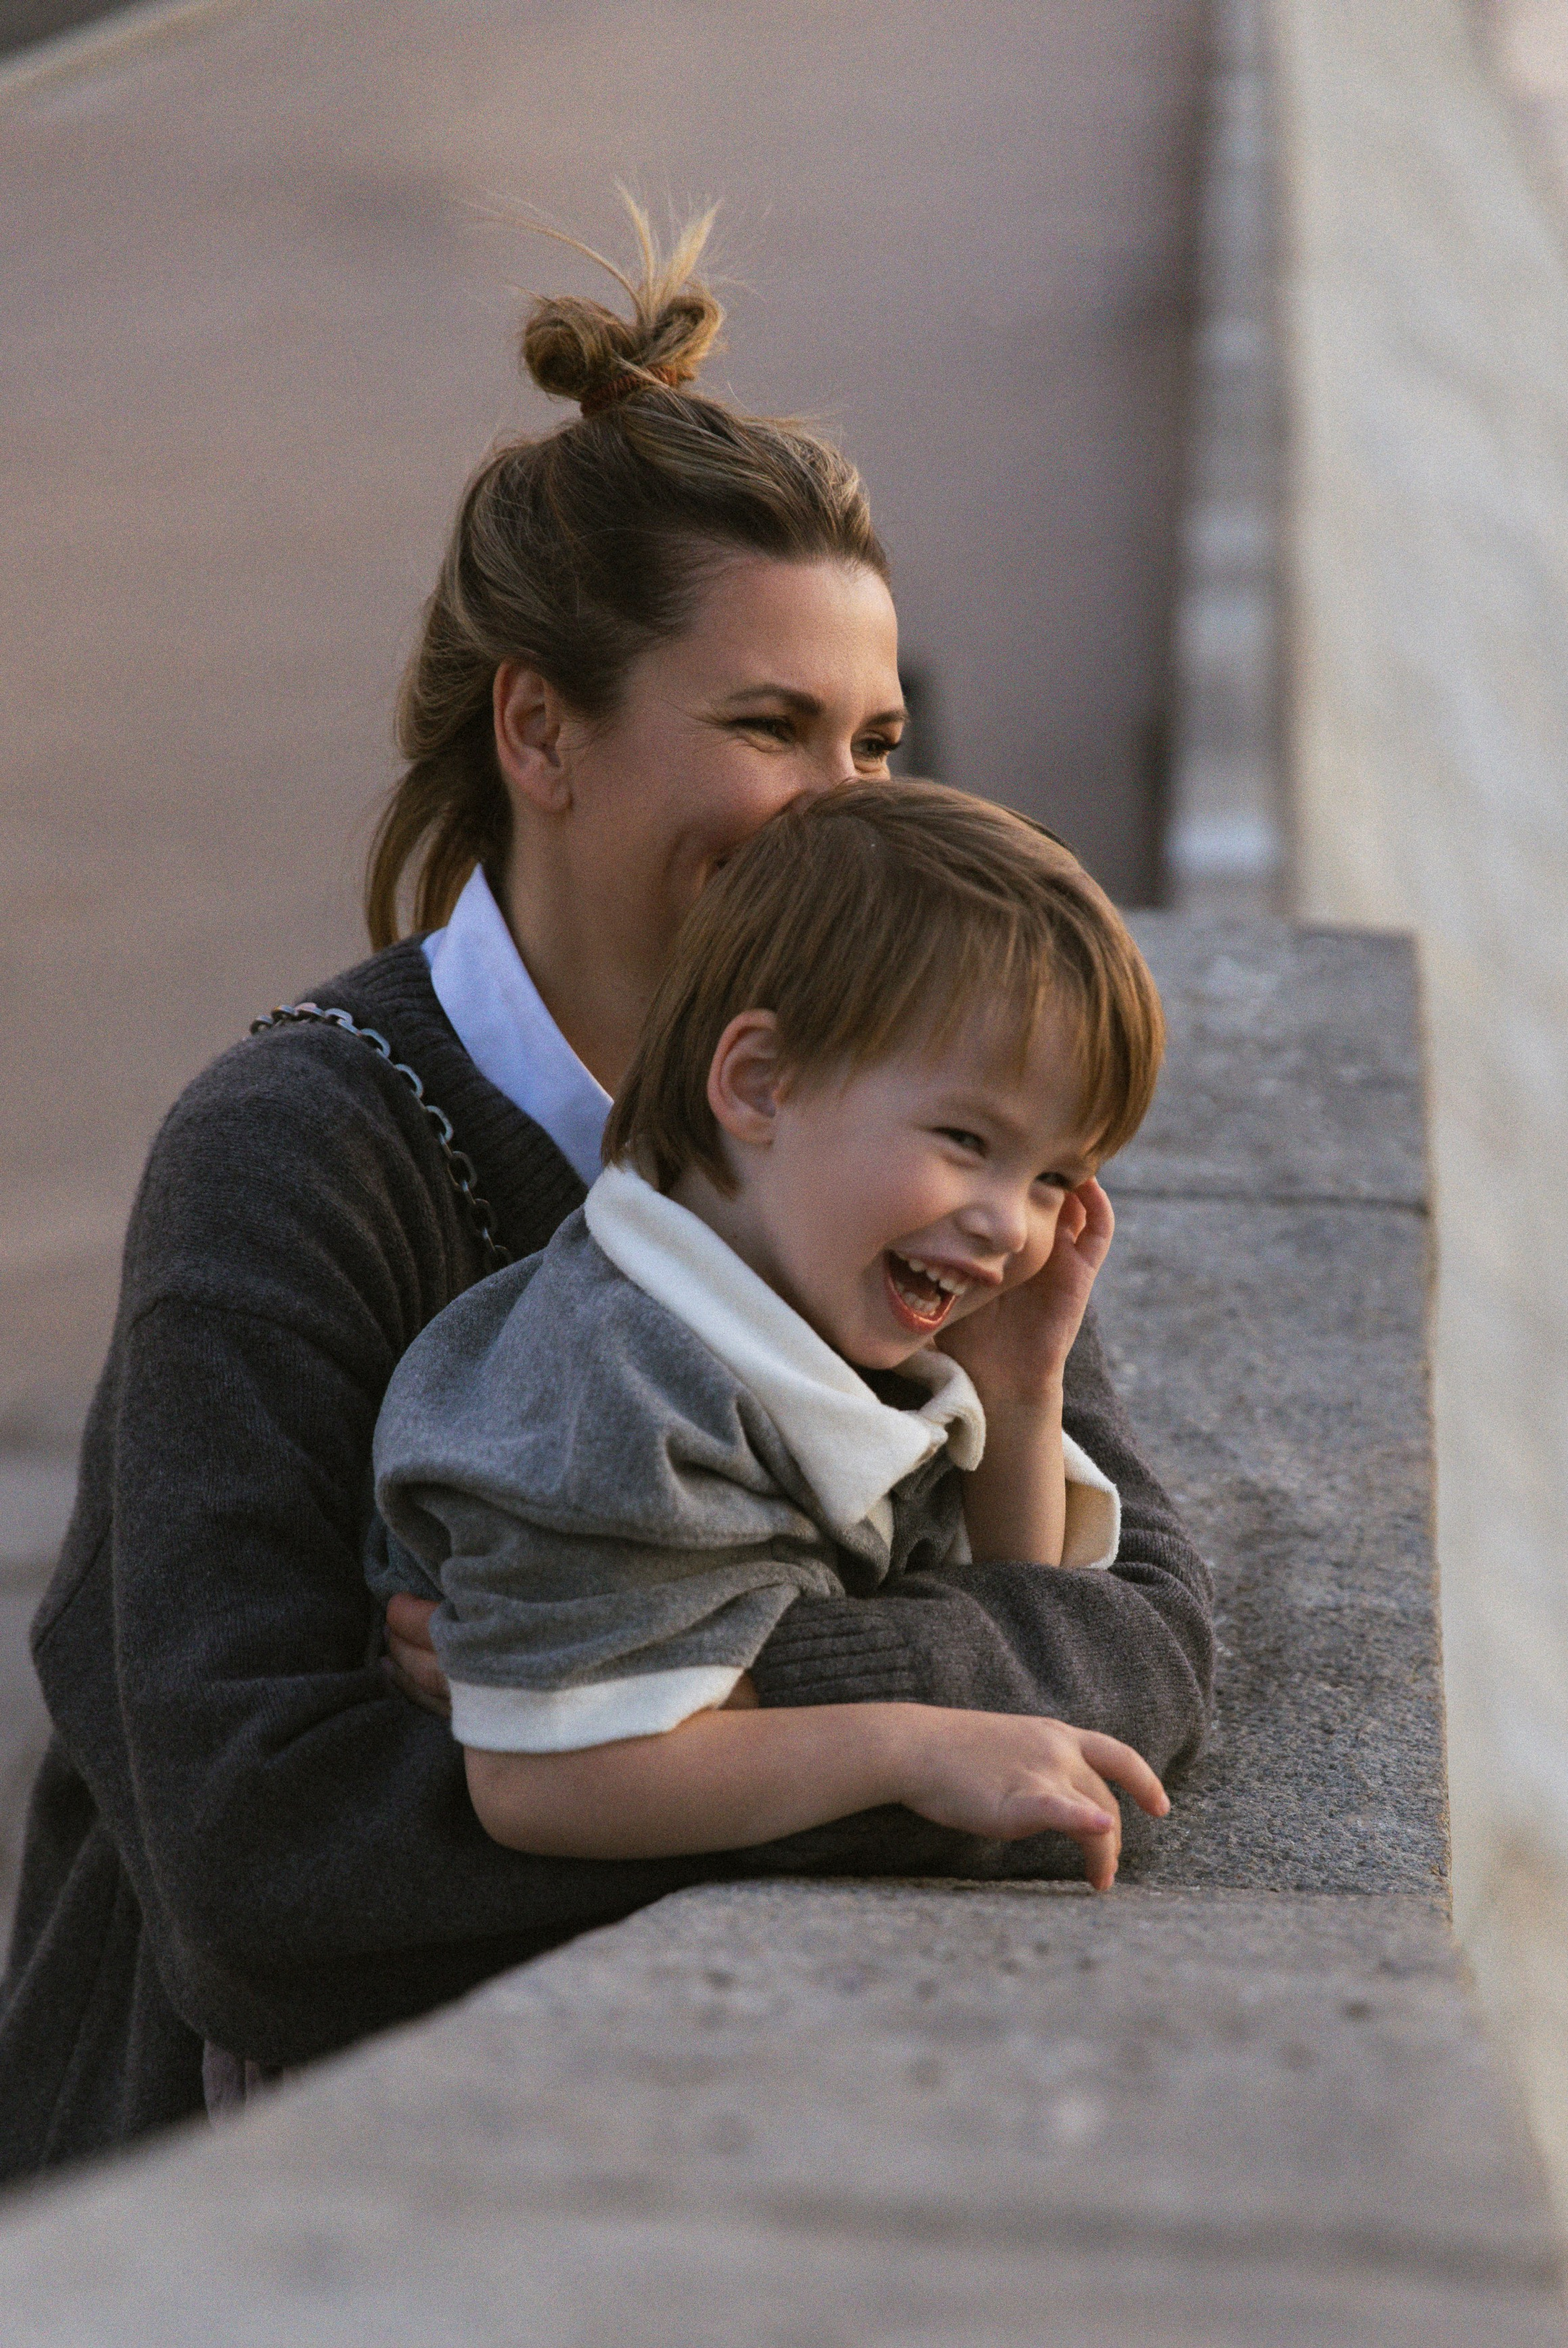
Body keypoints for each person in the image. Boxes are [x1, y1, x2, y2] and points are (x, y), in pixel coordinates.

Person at [0, 216, 1214, 2182]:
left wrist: (625, 1697)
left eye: (876, 741)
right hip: (215, 2205)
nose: (844, 809)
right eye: (767, 728)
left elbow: (1143, 1648)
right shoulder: (295, 1158)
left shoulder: (889, 1119)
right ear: (540, 731)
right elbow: (264, 1873)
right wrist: (911, 1739)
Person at [375, 779, 1170, 1894]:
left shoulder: (827, 1302)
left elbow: (1028, 1611)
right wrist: (913, 1746)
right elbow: (539, 1781)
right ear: (757, 1085)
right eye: (965, 1139)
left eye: (1053, 1178)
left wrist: (1022, 1394)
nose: (1009, 1224)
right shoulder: (624, 1391)